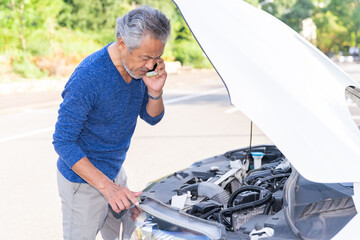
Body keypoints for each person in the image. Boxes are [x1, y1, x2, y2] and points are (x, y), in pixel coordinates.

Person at [53, 5, 171, 240]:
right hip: (82, 181)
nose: (150, 66)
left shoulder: (137, 70)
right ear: (122, 44)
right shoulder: (88, 77)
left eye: (156, 58)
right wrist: (108, 188)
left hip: (115, 172)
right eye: (146, 58)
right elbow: (63, 141)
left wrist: (155, 92)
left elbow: (152, 117)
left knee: (127, 235)